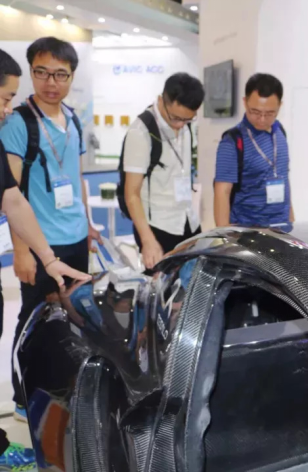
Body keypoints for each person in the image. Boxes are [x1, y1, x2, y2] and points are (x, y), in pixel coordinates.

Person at [0, 37, 101, 420]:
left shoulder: (73, 119)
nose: (51, 82)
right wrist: (22, 250)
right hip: (41, 242)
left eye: (61, 74)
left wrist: (88, 224)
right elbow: (10, 194)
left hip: (74, 239)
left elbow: (76, 179)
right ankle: (23, 398)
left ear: (72, 77)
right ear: (31, 73)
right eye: (41, 73)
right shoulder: (17, 123)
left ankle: (61, 390)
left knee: (72, 319)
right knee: (33, 322)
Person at [122, 73, 204, 270]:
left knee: (194, 281)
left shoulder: (187, 126)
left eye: (187, 120)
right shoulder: (141, 132)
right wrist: (148, 240)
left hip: (187, 220)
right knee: (161, 286)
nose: (180, 124)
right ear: (161, 100)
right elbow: (131, 194)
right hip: (158, 227)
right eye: (175, 118)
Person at [214, 73, 294, 228]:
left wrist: (291, 216)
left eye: (270, 113)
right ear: (245, 102)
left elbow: (283, 176)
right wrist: (224, 236)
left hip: (282, 227)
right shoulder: (232, 141)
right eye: (255, 112)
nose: (262, 119)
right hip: (248, 231)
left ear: (280, 106)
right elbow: (222, 192)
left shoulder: (280, 132)